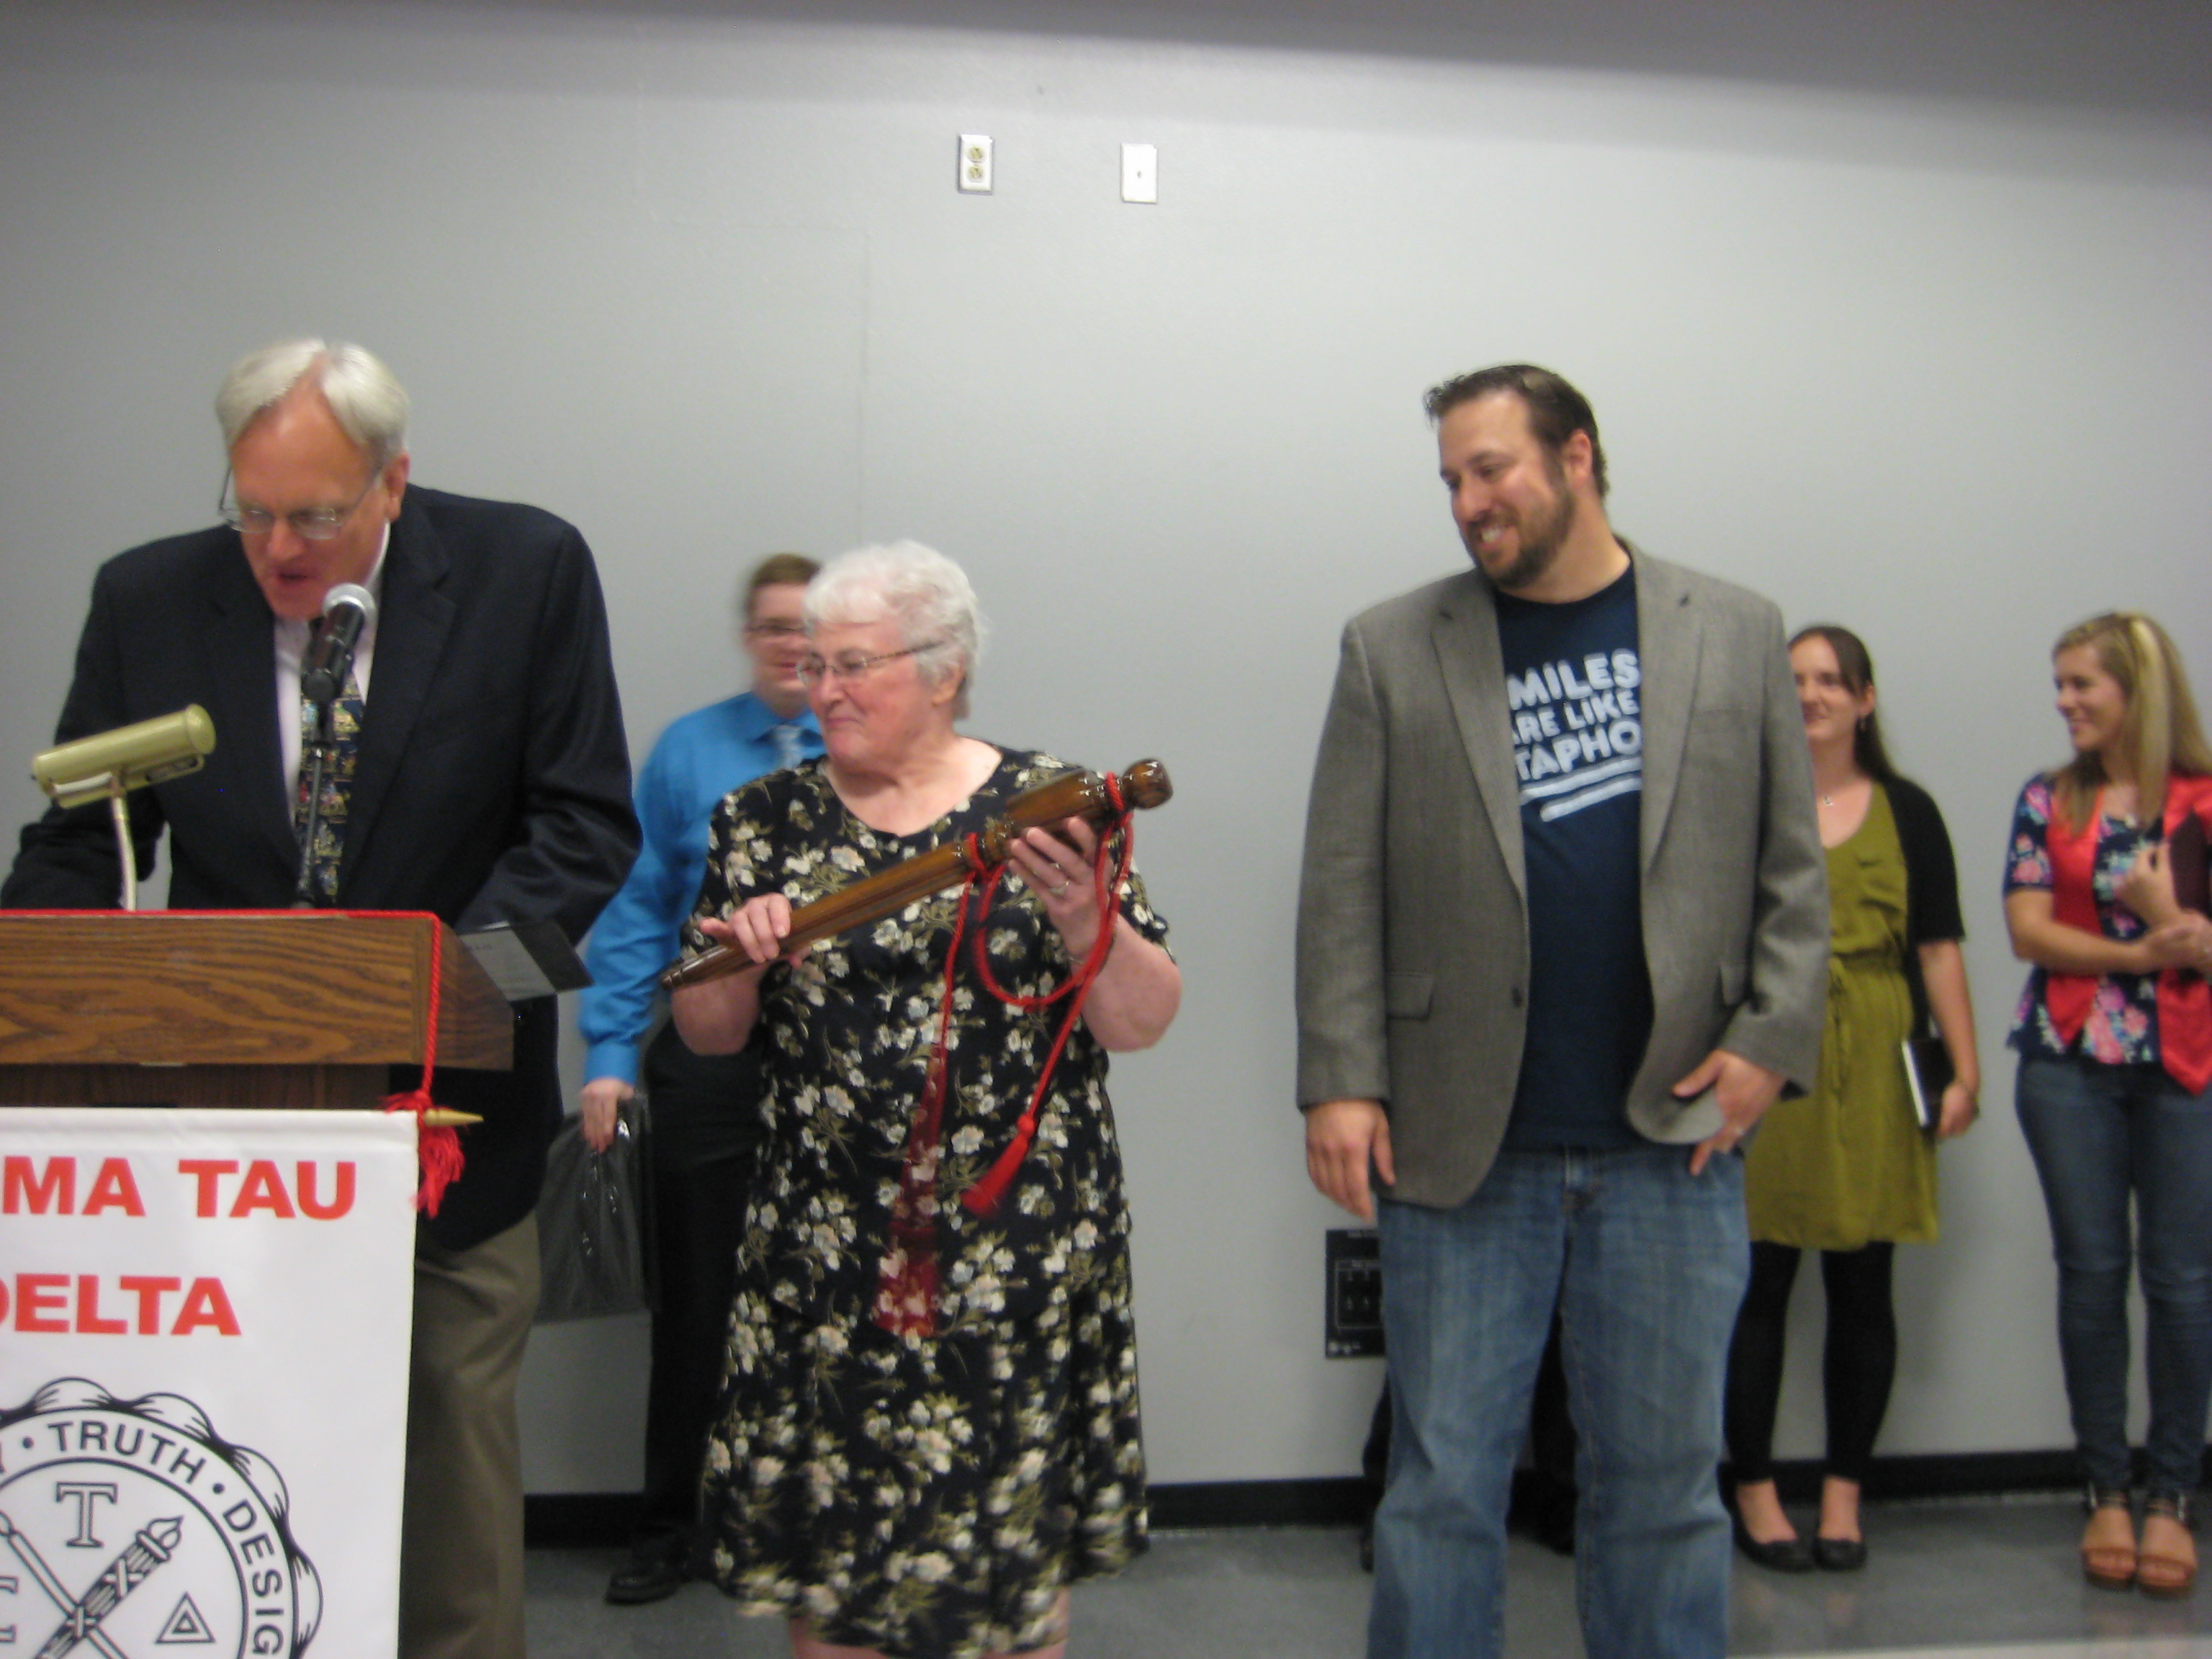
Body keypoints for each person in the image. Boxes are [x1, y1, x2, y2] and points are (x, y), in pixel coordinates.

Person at [1, 339, 639, 1659]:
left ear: (394, 481)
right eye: (251, 512)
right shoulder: (149, 598)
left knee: (448, 1467)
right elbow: (78, 842)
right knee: (233, 1443)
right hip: (216, 1142)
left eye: (314, 515)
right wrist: (32, 980)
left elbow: (584, 828)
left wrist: (446, 991)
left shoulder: (525, 571)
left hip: (445, 1130)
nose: (278, 550)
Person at [1296, 364, 1827, 1659]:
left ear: (1577, 456)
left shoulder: (1735, 629)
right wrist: (1341, 1079)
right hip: (1461, 1145)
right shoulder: (1391, 644)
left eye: (1491, 469)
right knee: (1440, 1489)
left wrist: (1768, 1044)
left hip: (1672, 1141)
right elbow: (1342, 880)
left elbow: (1792, 871)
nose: (1468, 502)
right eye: (1451, 480)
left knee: (1665, 1491)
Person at [669, 541, 1180, 1659]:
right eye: (812, 665)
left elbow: (1141, 1022)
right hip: (829, 1247)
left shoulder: (1050, 805)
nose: (825, 690)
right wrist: (742, 959)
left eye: (854, 664)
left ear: (945, 670)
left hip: (1016, 1245)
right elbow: (708, 1034)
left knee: (1008, 1570)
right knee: (838, 1569)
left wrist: (1088, 922)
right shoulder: (764, 820)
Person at [576, 552, 824, 1605]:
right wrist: (608, 1058)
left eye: (811, 629)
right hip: (708, 1056)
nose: (793, 646)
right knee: (697, 1305)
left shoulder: (872, 757)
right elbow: (638, 912)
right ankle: (671, 1528)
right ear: (748, 637)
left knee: (835, 1292)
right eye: (774, 627)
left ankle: (819, 1522)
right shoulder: (690, 752)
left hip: (838, 1065)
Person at [1725, 624, 1982, 1574]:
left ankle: (1843, 1496)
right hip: (1772, 1050)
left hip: (1878, 1053)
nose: (1812, 695)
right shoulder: (1747, 803)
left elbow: (1939, 948)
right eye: (1794, 678)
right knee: (1757, 1282)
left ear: (1865, 700)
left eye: (1831, 679)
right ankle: (1754, 1491)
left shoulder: (1910, 811)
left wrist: (1964, 1073)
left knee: (1865, 1285)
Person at [2003, 611, 2212, 1599]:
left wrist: (2171, 921)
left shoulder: (2206, 800)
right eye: (2061, 684)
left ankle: (2172, 1495)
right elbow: (2028, 931)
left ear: (2139, 688)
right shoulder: (2049, 799)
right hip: (2069, 1065)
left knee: (2182, 1285)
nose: (2065, 702)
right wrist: (2145, 951)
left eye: (2082, 683)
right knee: (2091, 1276)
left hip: (2189, 1068)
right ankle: (2105, 1489)